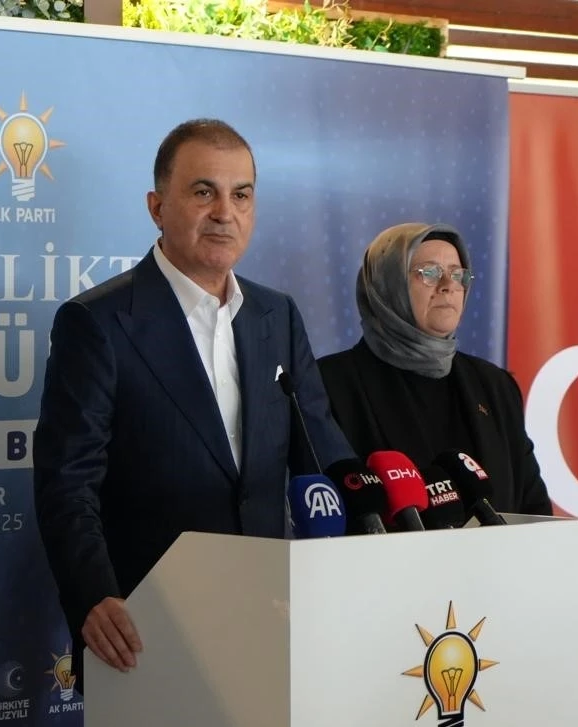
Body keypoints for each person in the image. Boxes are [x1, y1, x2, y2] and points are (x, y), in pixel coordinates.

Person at [33, 118, 351, 686]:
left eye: (241, 195)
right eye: (204, 192)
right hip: (143, 629)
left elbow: (320, 456)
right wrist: (93, 596)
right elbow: (67, 482)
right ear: (157, 207)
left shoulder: (277, 316)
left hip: (269, 618)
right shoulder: (98, 323)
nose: (225, 212)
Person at [318, 222, 551, 515]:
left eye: (458, 274)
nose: (448, 285)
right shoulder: (330, 384)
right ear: (386, 284)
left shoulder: (495, 385)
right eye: (429, 273)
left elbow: (533, 509)